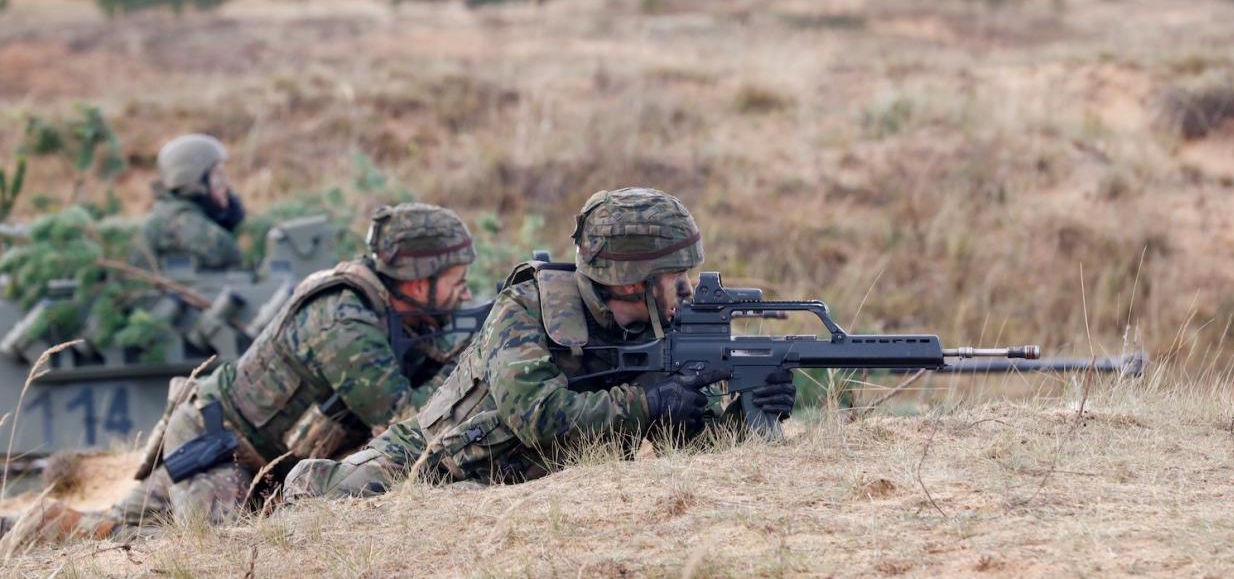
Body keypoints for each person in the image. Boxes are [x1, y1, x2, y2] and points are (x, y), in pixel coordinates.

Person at [0, 203, 477, 553]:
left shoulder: (390, 312)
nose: (464, 292)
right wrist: (467, 366)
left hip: (235, 448)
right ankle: (43, 524)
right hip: (217, 445)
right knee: (216, 550)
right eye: (456, 280)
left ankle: (34, 527)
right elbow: (407, 420)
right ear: (418, 283)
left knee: (123, 525)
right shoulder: (342, 322)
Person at [283, 187, 796, 499]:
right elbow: (538, 415)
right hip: (425, 467)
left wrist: (743, 414)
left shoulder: (660, 331)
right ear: (629, 278)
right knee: (325, 499)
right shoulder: (528, 307)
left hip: (516, 494)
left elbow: (684, 445)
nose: (686, 288)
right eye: (675, 274)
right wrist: (650, 401)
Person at [138, 133, 246, 270]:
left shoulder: (164, 212)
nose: (226, 185)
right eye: (218, 175)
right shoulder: (196, 230)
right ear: (196, 182)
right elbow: (232, 257)